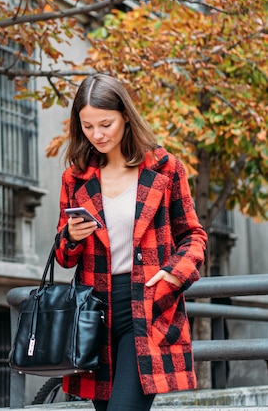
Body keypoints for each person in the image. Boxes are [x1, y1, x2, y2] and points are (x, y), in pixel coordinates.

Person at [54, 74, 208, 411]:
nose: (97, 135)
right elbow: (64, 257)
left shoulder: (165, 168)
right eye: (88, 126)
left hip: (148, 305)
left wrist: (172, 275)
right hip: (93, 312)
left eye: (105, 124)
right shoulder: (75, 176)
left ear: (125, 115)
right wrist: (70, 236)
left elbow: (194, 236)